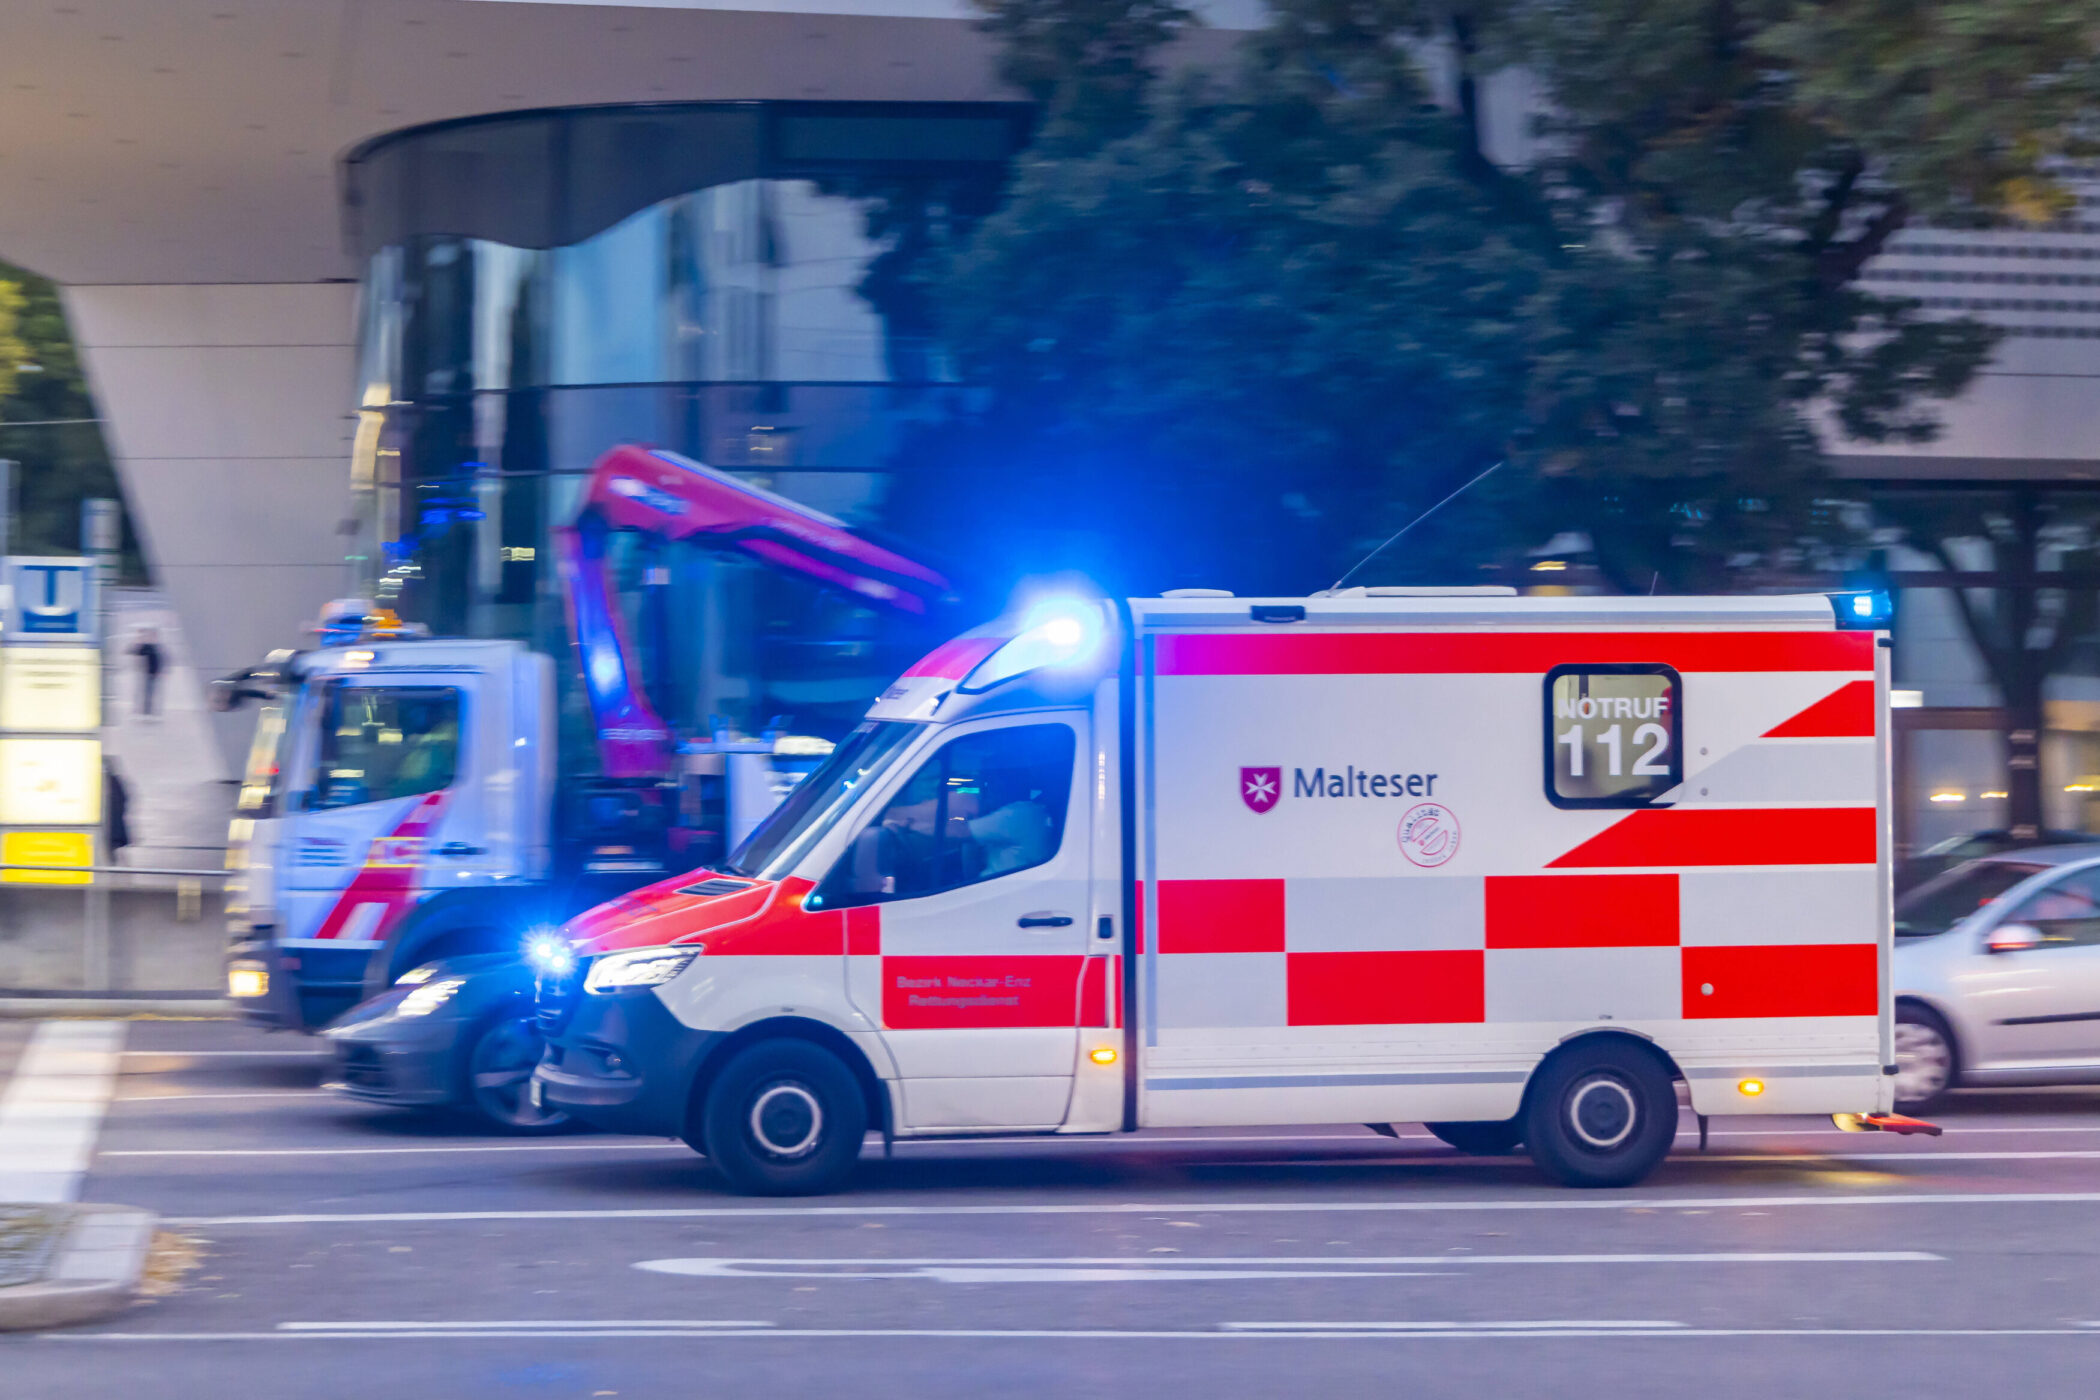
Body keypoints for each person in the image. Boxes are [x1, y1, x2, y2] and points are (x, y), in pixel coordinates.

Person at [129, 628, 165, 717]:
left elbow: (161, 660)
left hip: (152, 673)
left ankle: (148, 711)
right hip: (145, 673)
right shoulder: (148, 646)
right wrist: (139, 641)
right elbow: (136, 652)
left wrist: (160, 671)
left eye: (152, 636)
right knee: (144, 692)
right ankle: (143, 711)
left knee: (150, 693)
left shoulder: (156, 646)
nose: (151, 637)